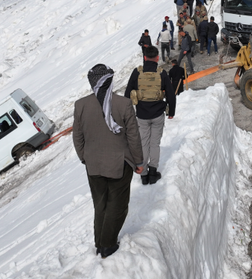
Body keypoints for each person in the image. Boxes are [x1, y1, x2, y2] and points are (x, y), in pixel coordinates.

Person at [73, 64, 144, 259]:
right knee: (117, 205)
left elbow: (77, 137)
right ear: (109, 81)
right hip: (119, 164)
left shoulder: (81, 105)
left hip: (93, 166)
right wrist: (139, 161)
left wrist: (85, 157)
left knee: (101, 204)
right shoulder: (123, 104)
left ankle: (99, 243)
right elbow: (133, 137)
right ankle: (108, 245)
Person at [124, 46, 176, 185]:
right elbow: (171, 94)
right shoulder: (161, 73)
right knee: (155, 144)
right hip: (158, 114)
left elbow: (127, 93)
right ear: (157, 58)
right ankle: (153, 173)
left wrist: (128, 113)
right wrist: (171, 112)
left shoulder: (137, 72)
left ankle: (144, 175)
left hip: (141, 115)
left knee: (143, 143)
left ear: (145, 57)